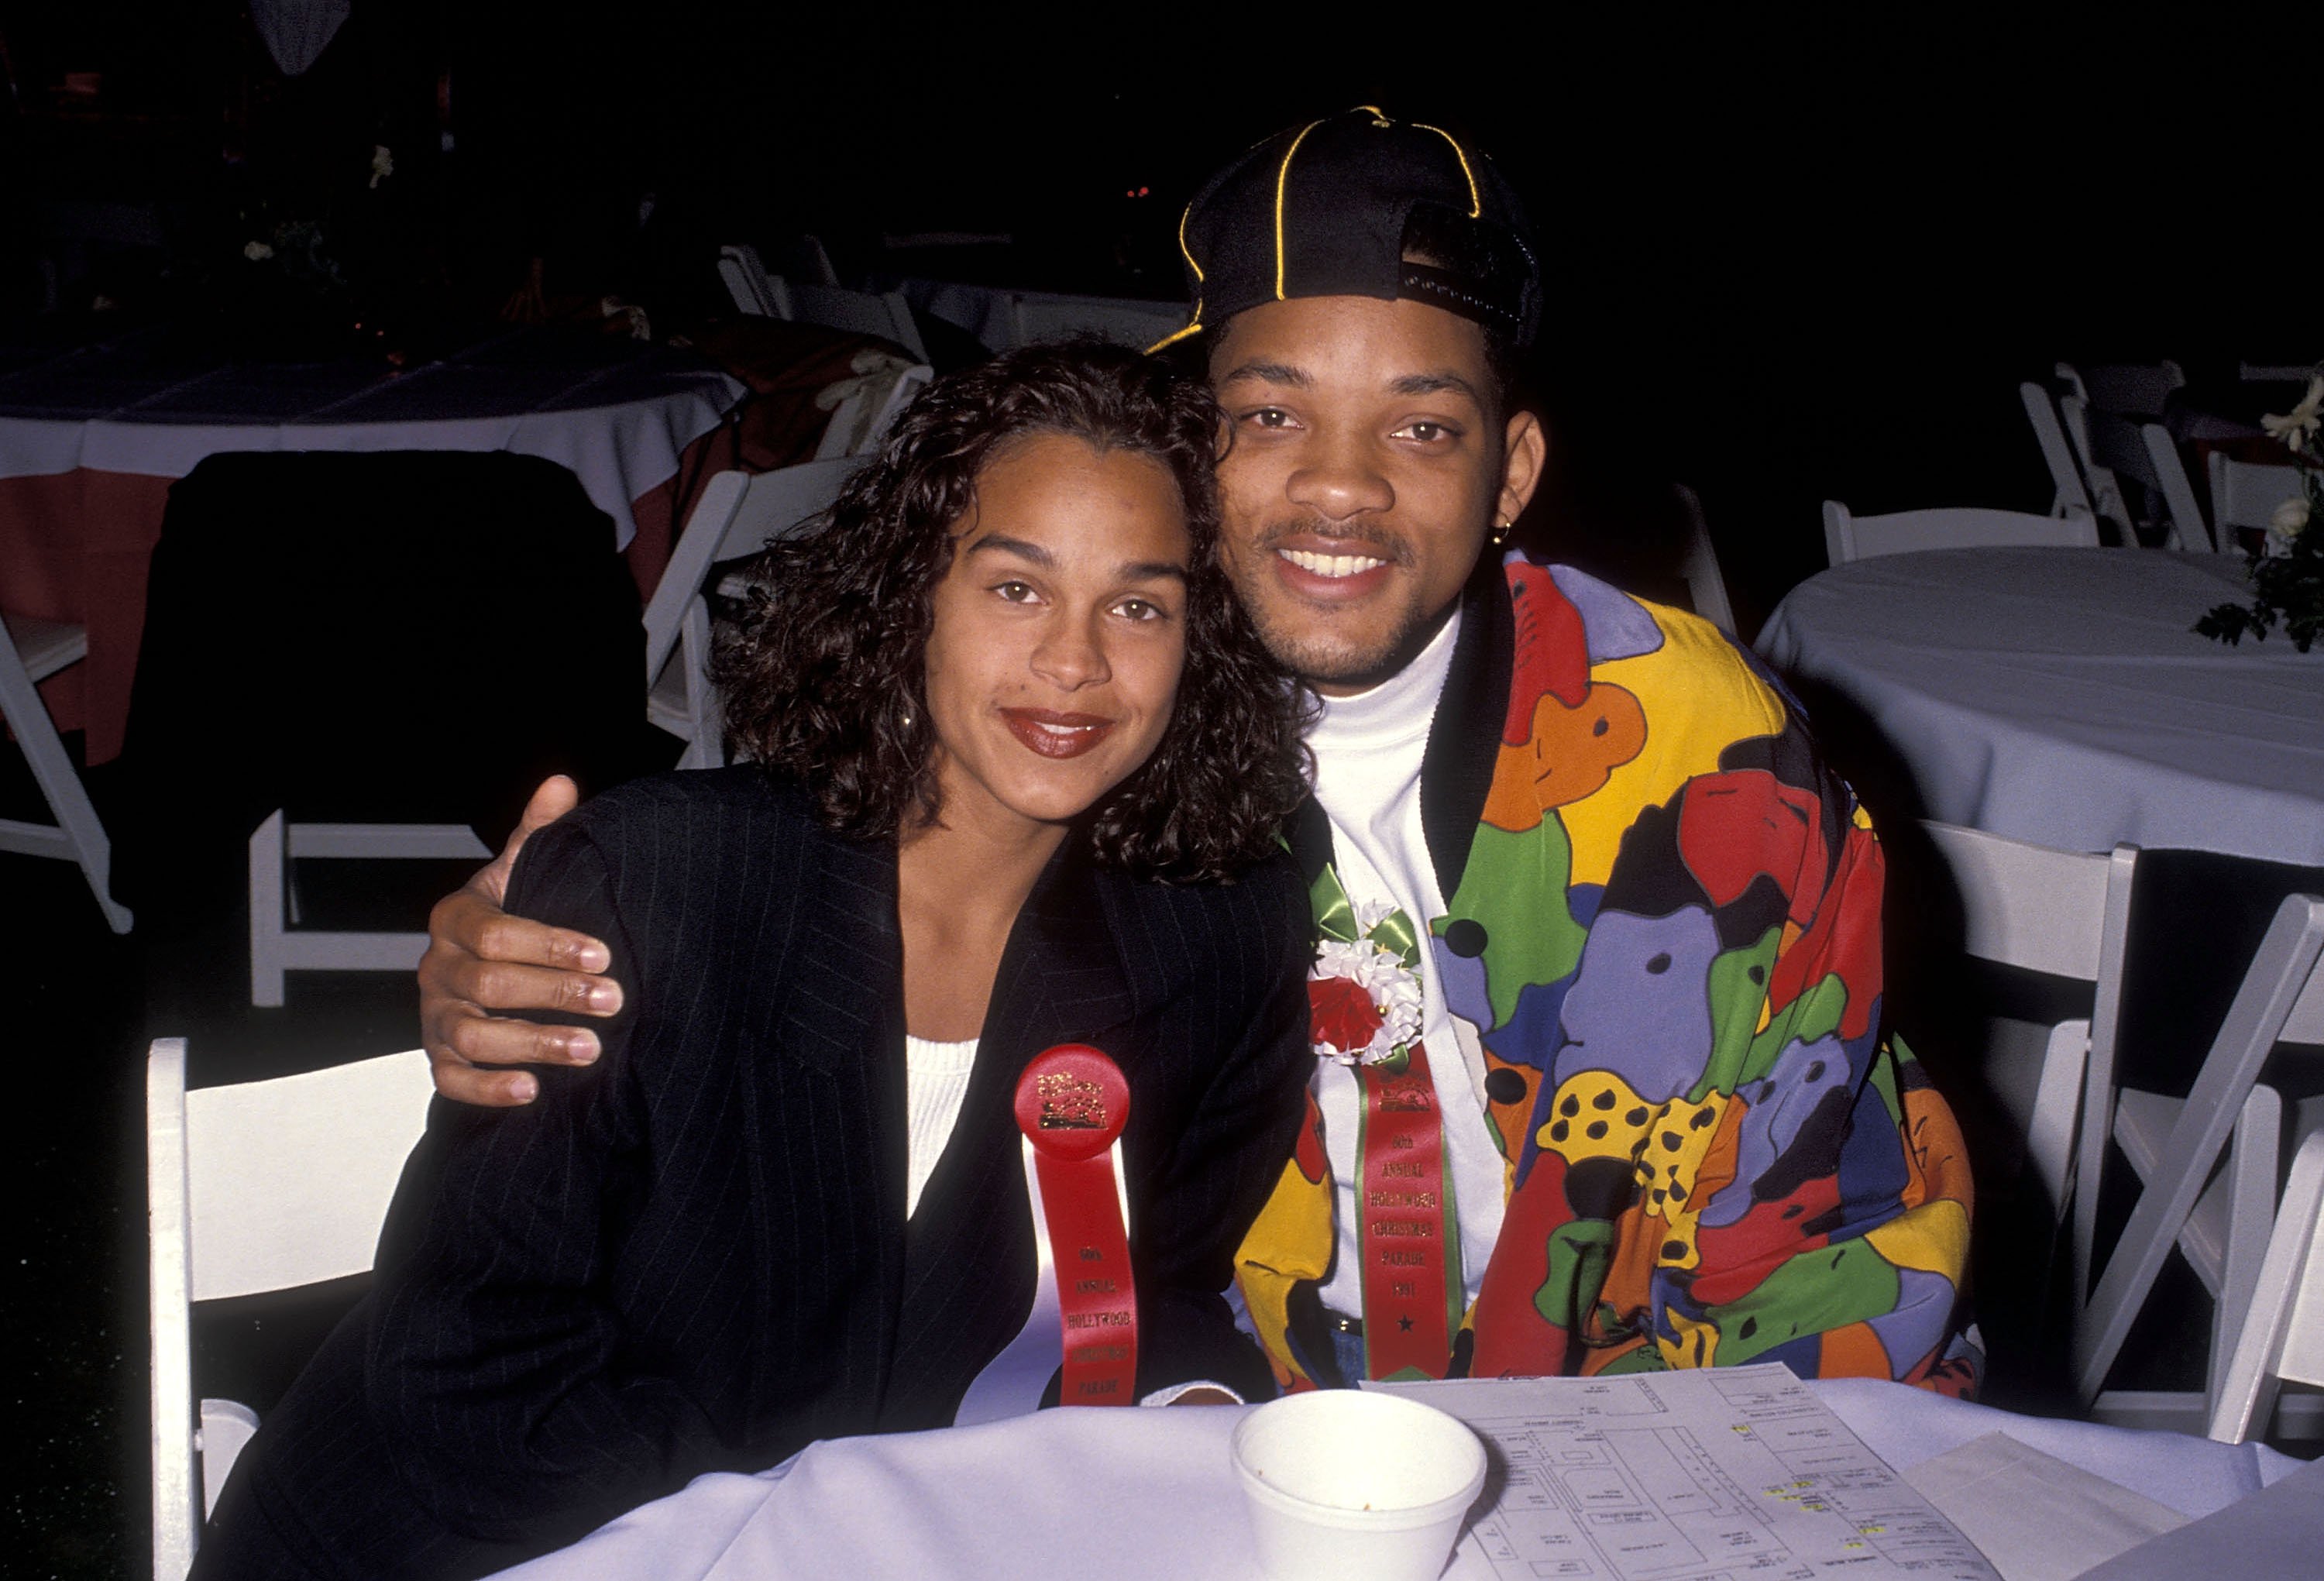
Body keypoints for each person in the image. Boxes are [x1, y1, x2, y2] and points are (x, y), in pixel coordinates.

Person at [421, 108, 1977, 1397]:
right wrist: (540, 953)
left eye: (1422, 428)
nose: (1339, 490)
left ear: (1511, 472)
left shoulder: (1699, 759)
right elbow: (821, 887)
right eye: (1271, 415)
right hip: (1238, 1403)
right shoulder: (1104, 707)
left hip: (1705, 1380)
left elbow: (1784, 1230)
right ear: (1197, 444)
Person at [194, 342, 1316, 1579]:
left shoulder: (1215, 938)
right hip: (491, 1527)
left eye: (1140, 605)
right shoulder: (657, 889)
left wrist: (1200, 1419)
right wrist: (822, 1535)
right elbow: (471, 1357)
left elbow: (1160, 1289)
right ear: (911, 598)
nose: (1075, 662)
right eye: (1015, 588)